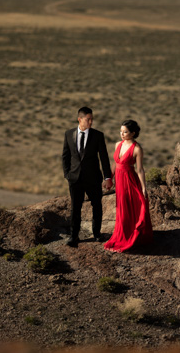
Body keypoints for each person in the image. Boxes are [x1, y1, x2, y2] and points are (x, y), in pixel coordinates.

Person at [62, 107, 113, 246]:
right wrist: (67, 174)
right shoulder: (68, 134)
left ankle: (97, 234)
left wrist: (107, 177)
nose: (90, 122)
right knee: (75, 208)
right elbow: (65, 156)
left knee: (96, 206)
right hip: (75, 178)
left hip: (93, 178)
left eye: (92, 119)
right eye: (88, 119)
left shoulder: (98, 135)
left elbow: (104, 158)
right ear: (80, 119)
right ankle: (74, 236)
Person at [104, 119, 153, 252]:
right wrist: (109, 179)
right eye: (121, 131)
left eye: (125, 132)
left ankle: (131, 236)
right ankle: (122, 234)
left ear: (133, 133)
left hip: (129, 180)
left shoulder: (137, 149)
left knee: (129, 208)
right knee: (121, 208)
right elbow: (115, 163)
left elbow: (140, 169)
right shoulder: (117, 144)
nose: (122, 134)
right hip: (119, 180)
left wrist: (143, 187)